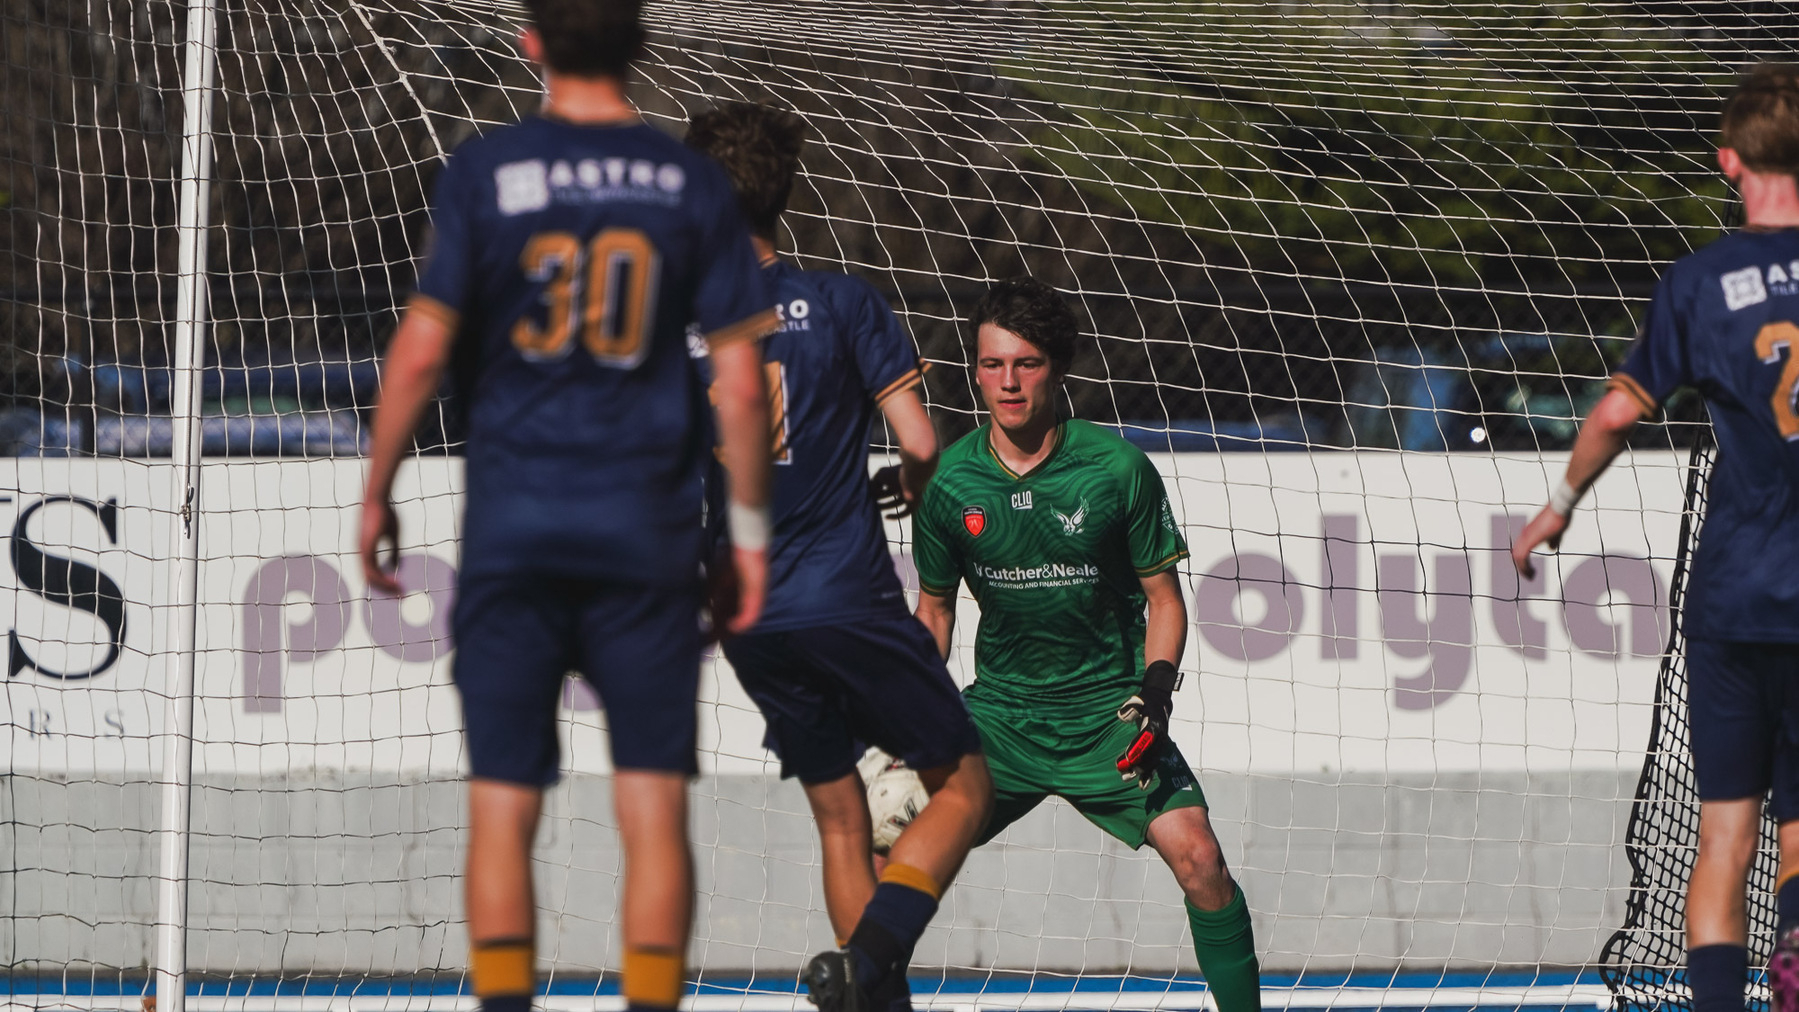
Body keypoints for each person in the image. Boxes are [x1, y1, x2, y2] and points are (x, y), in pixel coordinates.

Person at [357, 4, 778, 1011]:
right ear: (638, 43)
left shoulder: (485, 171)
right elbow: (738, 382)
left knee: (501, 808)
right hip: (643, 537)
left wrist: (376, 489)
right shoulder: (687, 183)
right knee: (651, 801)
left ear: (529, 42)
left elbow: (419, 350)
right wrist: (749, 538)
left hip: (514, 533)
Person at [683, 101, 993, 1012]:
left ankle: (869, 1003)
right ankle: (871, 960)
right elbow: (923, 444)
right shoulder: (846, 301)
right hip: (844, 595)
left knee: (838, 817)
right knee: (963, 789)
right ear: (784, 193)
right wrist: (908, 481)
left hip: (746, 610)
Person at [1512, 63, 1799, 1012]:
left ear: (1727, 161)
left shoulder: (1697, 283)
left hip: (1732, 596)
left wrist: (1557, 504)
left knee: (1724, 834)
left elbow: (1614, 414)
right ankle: (1795, 947)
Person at [908, 276, 1261, 1012]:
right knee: (890, 855)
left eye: (1026, 363)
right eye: (991, 364)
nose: (1007, 382)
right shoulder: (947, 480)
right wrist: (898, 703)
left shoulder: (1116, 470)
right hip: (999, 722)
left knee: (1200, 859)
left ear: (1058, 369)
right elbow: (934, 612)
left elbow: (1164, 600)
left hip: (1112, 717)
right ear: (973, 369)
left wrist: (1157, 690)